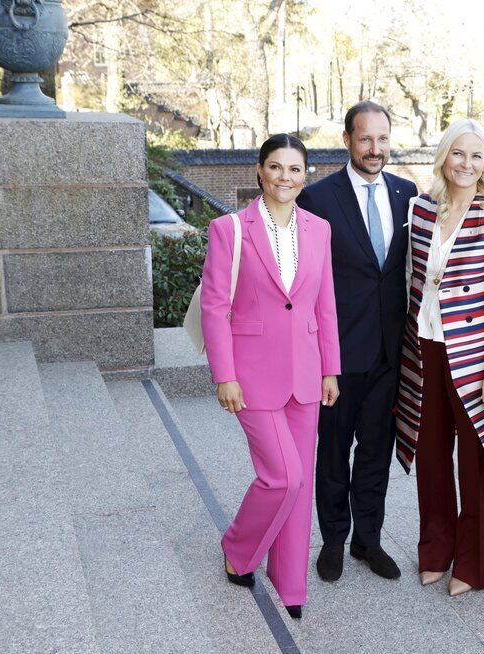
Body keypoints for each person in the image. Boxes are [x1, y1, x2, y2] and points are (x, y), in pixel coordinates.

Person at [201, 134, 340, 619]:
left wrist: (331, 368)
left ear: (307, 175)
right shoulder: (230, 229)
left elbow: (324, 304)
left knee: (300, 486)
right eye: (276, 167)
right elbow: (216, 309)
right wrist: (225, 375)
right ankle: (238, 549)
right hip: (251, 375)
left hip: (306, 374)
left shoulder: (319, 229)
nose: (286, 177)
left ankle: (291, 584)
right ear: (259, 171)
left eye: (295, 169)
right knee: (283, 477)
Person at [395, 118, 484, 597]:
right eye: (458, 154)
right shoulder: (420, 207)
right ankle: (435, 549)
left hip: (475, 355)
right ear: (443, 156)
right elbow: (410, 278)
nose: (467, 164)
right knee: (431, 457)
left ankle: (475, 565)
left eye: (477, 156)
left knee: (475, 465)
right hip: (424, 348)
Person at [297, 101, 418, 582]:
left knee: (375, 452)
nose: (376, 148)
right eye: (366, 139)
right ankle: (332, 539)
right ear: (347, 139)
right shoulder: (318, 198)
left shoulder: (407, 194)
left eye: (383, 139)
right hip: (336, 354)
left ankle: (368, 540)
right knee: (332, 452)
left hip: (391, 355)